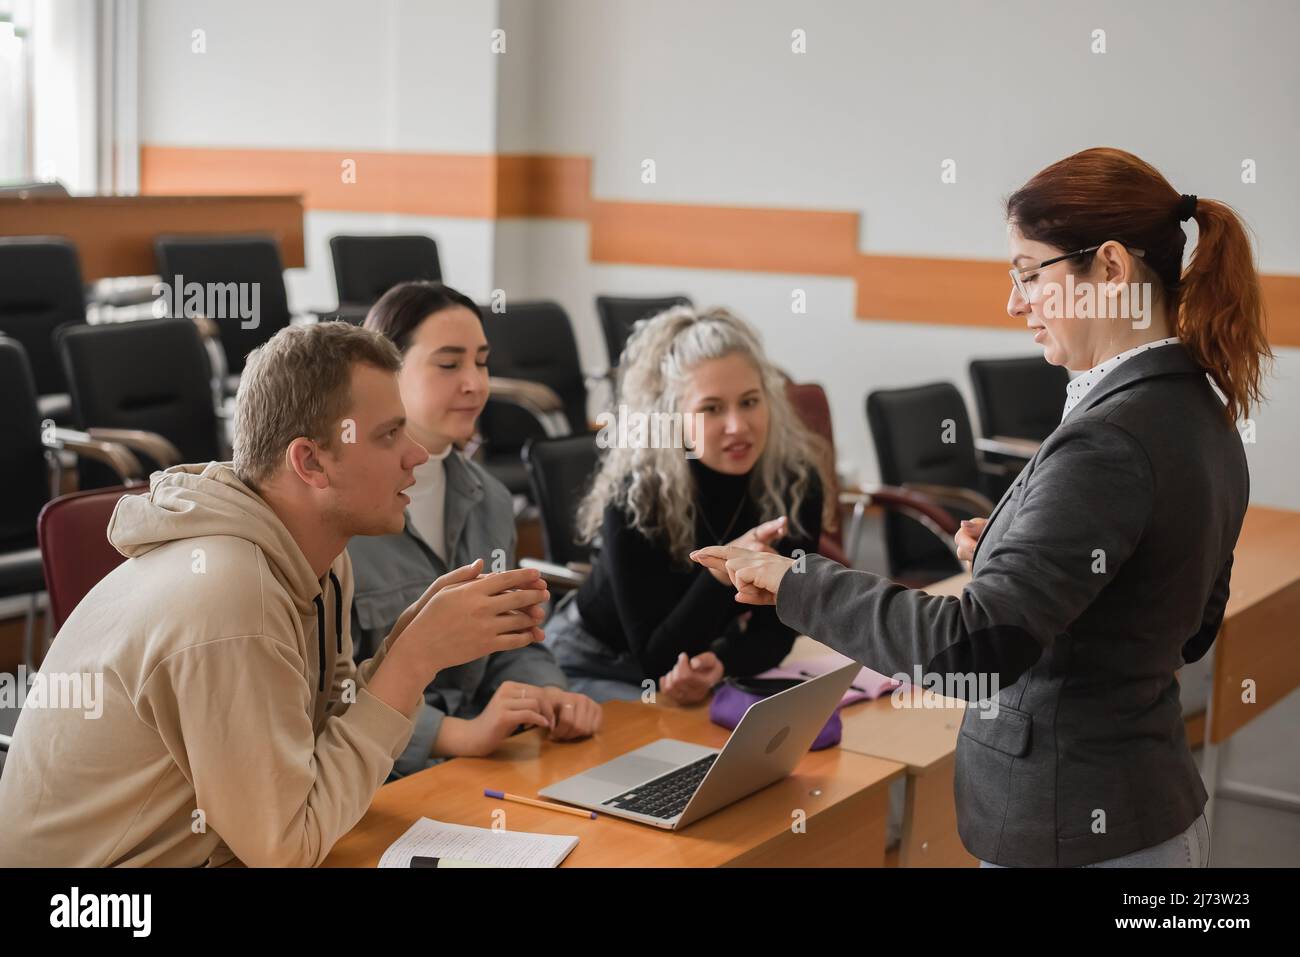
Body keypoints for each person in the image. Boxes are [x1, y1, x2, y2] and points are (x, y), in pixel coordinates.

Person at [695, 147, 1272, 868]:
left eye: (1030, 271)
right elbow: (1186, 624)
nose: (1014, 301)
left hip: (1077, 831)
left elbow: (972, 647)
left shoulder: (1107, 439)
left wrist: (791, 580)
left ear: (1114, 269)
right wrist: (1014, 562)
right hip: (1144, 813)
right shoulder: (1199, 407)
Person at [0, 321, 551, 866]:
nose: (416, 455)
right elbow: (286, 849)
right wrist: (412, 662)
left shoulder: (322, 557)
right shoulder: (231, 595)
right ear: (309, 461)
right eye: (388, 435)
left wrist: (403, 644)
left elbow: (322, 746)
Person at [353, 281, 600, 772]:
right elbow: (325, 694)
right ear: (386, 372)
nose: (476, 383)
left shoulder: (490, 498)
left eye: (482, 362)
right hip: (374, 781)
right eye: (449, 364)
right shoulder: (342, 514)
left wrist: (548, 692)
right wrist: (453, 735)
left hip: (476, 763)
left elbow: (512, 642)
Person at [544, 305, 831, 704]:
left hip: (692, 661)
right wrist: (722, 574)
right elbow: (655, 660)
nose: (738, 426)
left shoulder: (794, 485)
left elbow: (778, 631)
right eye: (711, 409)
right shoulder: (637, 497)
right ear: (673, 417)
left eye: (749, 402)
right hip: (592, 663)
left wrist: (722, 663)